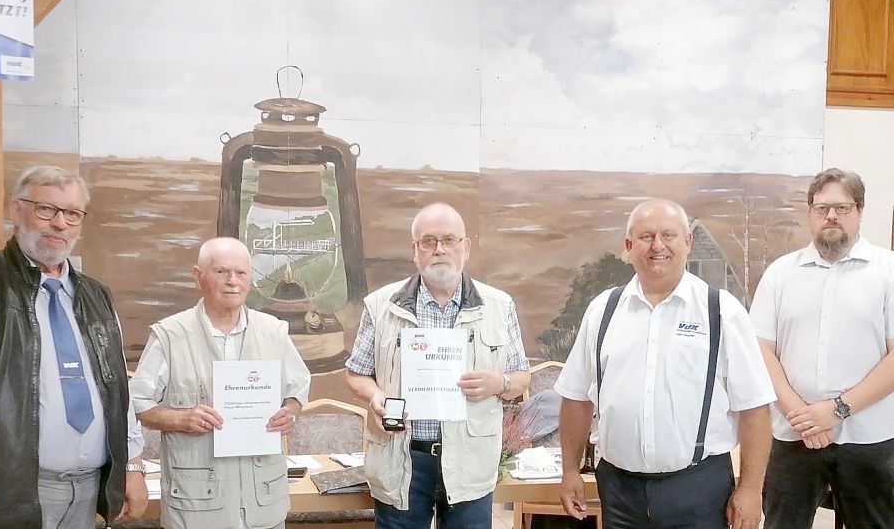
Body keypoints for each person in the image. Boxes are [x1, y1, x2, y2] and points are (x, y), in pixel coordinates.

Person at [0, 165, 147, 528]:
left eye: (72, 214)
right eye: (45, 209)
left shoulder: (97, 297)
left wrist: (131, 467)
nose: (59, 224)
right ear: (15, 211)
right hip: (8, 493)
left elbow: (120, 394)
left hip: (88, 492)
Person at [556, 198, 775, 529]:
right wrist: (570, 470)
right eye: (646, 237)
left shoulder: (722, 312)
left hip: (699, 490)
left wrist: (751, 489)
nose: (657, 245)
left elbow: (755, 408)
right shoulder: (602, 311)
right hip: (619, 492)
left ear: (687, 242)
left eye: (668, 235)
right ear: (629, 247)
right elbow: (575, 397)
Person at [345, 202, 531, 529]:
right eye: (428, 241)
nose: (439, 249)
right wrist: (376, 397)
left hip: (470, 459)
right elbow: (357, 373)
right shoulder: (380, 305)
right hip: (402, 459)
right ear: (414, 250)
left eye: (449, 240)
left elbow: (521, 377)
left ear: (466, 247)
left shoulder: (499, 306)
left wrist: (497, 384)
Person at [129, 236, 310, 529]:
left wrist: (289, 412)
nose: (232, 282)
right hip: (197, 505)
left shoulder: (274, 332)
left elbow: (297, 390)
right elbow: (137, 404)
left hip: (263, 503)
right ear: (198, 277)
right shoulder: (170, 335)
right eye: (221, 272)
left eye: (241, 273)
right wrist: (180, 419)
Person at [750, 168, 894, 528]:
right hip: (792, 436)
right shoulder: (780, 274)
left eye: (842, 208)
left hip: (869, 440)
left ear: (860, 211)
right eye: (822, 207)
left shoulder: (888, 272)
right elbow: (760, 349)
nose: (831, 216)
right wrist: (801, 413)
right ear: (810, 213)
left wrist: (836, 410)